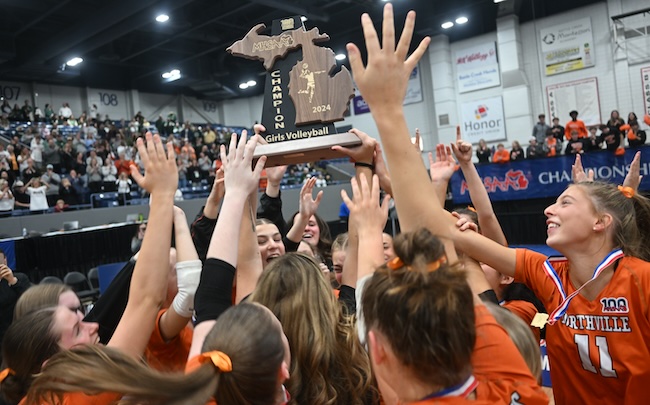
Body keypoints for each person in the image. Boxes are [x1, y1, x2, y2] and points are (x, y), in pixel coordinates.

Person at [1, 132, 179, 405]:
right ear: (51, 366)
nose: (94, 326)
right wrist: (164, 196)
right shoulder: (80, 396)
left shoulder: (36, 389)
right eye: (77, 329)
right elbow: (145, 300)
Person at [0, 249, 30, 366]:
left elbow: (30, 300)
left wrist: (13, 282)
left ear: (5, 261)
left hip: (20, 331)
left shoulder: (20, 278)